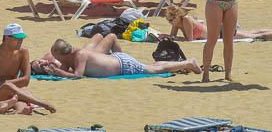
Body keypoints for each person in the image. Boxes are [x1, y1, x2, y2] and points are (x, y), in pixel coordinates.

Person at [0, 24, 56, 114]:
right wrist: (7, 84)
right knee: (11, 88)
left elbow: (26, 80)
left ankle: (17, 109)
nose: (20, 41)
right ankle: (43, 104)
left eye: (22, 38)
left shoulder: (23, 51)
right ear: (7, 38)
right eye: (17, 38)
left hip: (14, 93)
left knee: (21, 95)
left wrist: (9, 84)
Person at [49, 38, 201, 78]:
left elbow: (77, 76)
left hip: (123, 65)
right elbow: (63, 68)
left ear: (63, 54)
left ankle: (188, 63)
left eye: (56, 56)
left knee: (156, 69)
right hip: (118, 60)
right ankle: (184, 63)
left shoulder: (80, 54)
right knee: (152, 65)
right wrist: (52, 69)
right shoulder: (69, 56)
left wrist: (59, 72)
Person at [165, 5, 272, 42]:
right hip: (218, 31)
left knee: (255, 36)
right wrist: (167, 37)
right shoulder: (177, 24)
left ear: (178, 16)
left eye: (172, 19)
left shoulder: (187, 20)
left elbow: (189, 39)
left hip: (220, 33)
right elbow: (173, 36)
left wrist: (175, 38)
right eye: (169, 21)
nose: (171, 22)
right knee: (253, 31)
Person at [30, 33, 122, 75]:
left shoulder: (49, 56)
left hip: (81, 54)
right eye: (39, 65)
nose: (41, 62)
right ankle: (120, 58)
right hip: (86, 57)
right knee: (111, 37)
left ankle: (117, 58)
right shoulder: (53, 63)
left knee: (98, 36)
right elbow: (69, 71)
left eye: (38, 62)